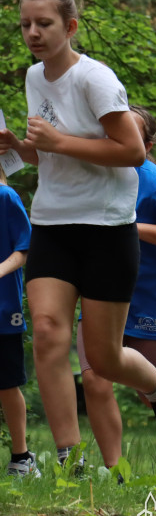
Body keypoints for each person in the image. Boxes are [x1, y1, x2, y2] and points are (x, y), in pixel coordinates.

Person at [0, 0, 156, 468]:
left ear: (69, 27)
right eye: (25, 24)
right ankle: (70, 458)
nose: (33, 33)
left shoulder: (96, 79)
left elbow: (131, 152)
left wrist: (55, 141)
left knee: (103, 357)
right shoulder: (33, 78)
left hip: (107, 227)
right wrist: (16, 147)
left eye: (44, 24)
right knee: (47, 331)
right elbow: (48, 153)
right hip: (53, 221)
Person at [77, 105, 156, 471]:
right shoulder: (93, 176)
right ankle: (114, 470)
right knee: (95, 381)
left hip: (150, 296)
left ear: (146, 145)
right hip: (99, 290)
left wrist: (129, 228)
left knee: (151, 395)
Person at [0, 169, 37, 477]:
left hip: (2, 310)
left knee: (6, 383)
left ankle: (21, 456)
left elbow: (23, 249)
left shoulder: (6, 197)